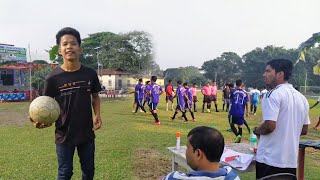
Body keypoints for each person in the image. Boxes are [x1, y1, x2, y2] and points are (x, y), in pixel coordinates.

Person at [30, 27, 102, 180]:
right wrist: (39, 121)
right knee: (64, 173)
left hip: (86, 133)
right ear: (60, 51)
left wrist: (97, 115)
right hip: (64, 134)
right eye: (65, 44)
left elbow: (95, 96)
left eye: (73, 43)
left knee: (88, 171)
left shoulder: (90, 73)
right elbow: (44, 105)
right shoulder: (52, 78)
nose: (69, 46)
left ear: (80, 49)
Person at [254, 58, 310, 179]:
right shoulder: (302, 98)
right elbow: (304, 129)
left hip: (270, 159)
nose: (264, 74)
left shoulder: (272, 94)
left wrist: (257, 130)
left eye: (268, 71)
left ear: (280, 74)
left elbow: (269, 125)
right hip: (290, 160)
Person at [162, 126, 240, 180]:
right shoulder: (232, 176)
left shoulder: (174, 178)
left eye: (188, 148)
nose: (186, 151)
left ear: (198, 154)